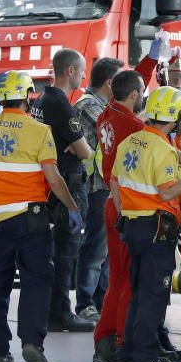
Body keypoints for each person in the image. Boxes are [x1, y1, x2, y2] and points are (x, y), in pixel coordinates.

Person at [0, 71, 83, 362]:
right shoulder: (40, 131)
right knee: (36, 282)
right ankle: (32, 343)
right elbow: (54, 180)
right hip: (31, 220)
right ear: (29, 96)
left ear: (0, 97)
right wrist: (72, 207)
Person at [111, 87, 181, 362]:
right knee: (153, 296)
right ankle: (145, 361)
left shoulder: (132, 141)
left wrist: (124, 213)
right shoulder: (163, 150)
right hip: (157, 230)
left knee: (138, 293)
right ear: (177, 116)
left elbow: (115, 182)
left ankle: (127, 357)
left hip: (132, 226)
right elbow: (167, 193)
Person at [30, 49, 95, 332]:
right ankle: (61, 313)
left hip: (47, 184)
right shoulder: (61, 105)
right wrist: (84, 148)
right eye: (81, 70)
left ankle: (53, 310)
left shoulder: (42, 99)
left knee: (53, 251)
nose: (84, 75)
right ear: (69, 71)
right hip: (66, 183)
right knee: (66, 250)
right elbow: (84, 150)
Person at [91, 70, 147, 362]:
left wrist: (148, 65)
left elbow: (127, 85)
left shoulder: (106, 115)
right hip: (130, 206)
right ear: (135, 95)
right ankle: (123, 342)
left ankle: (104, 338)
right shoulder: (136, 127)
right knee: (130, 279)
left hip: (111, 202)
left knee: (116, 277)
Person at [71, 57, 123, 323]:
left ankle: (101, 301)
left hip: (107, 185)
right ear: (110, 83)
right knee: (95, 248)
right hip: (96, 187)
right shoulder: (89, 106)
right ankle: (85, 303)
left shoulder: (103, 106)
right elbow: (115, 129)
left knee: (106, 250)